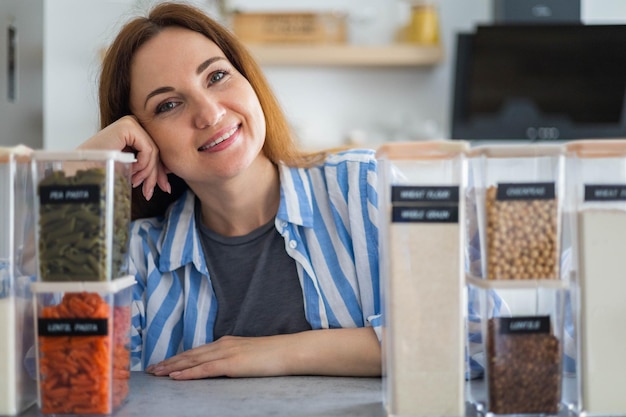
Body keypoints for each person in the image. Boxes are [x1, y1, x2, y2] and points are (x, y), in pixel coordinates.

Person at [78, 1, 382, 380]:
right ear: (141, 141)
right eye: (169, 104)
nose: (209, 114)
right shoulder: (139, 257)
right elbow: (70, 373)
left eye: (217, 76)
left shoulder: (366, 187)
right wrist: (79, 173)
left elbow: (465, 335)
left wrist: (279, 354)